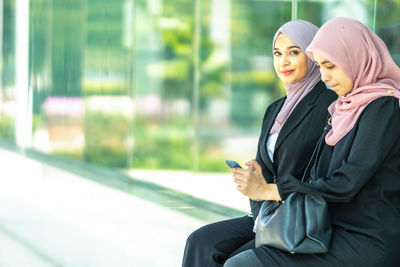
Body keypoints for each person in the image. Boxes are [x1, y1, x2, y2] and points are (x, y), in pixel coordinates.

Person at [226, 17, 400, 267]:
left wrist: (270, 190)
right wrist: (262, 182)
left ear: (355, 57)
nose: (325, 77)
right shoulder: (342, 108)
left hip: (367, 238)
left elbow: (345, 183)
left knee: (241, 264)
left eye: (331, 66)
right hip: (329, 229)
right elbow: (316, 175)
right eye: (320, 66)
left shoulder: (383, 106)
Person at [182, 20, 336, 267]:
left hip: (300, 216)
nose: (283, 62)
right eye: (277, 53)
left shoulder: (329, 105)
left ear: (313, 55)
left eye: (294, 52)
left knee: (233, 260)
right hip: (267, 212)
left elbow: (325, 175)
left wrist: (267, 192)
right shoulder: (275, 108)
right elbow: (266, 168)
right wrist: (253, 182)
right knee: (200, 241)